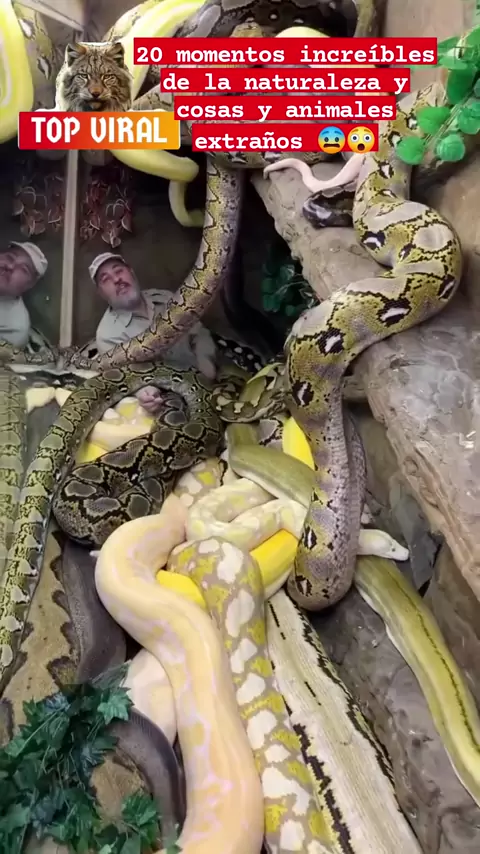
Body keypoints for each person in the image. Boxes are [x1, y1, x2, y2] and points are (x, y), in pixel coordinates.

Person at [90, 252, 217, 414]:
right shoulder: (107, 336)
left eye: (119, 270)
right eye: (106, 279)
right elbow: (129, 379)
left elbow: (199, 333)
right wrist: (146, 394)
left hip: (209, 383)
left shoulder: (166, 298)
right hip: (171, 403)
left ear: (131, 272)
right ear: (101, 293)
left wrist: (206, 363)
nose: (116, 279)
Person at [0, 242, 48, 347]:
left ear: (29, 285)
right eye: (10, 257)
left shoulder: (15, 328)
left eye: (23, 269)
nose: (10, 266)